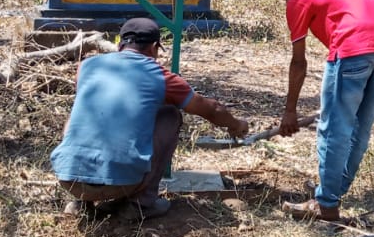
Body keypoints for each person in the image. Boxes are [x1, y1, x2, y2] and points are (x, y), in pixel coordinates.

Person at [51, 17, 249, 219]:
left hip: (69, 180)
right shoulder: (160, 76)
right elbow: (212, 109)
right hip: (122, 183)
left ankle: (83, 203)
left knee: (80, 112)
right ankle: (140, 204)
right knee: (170, 115)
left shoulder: (87, 66)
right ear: (155, 47)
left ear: (120, 44)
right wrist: (237, 125)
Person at [271, 0, 374, 222]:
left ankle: (326, 204)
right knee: (359, 130)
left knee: (333, 129)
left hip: (354, 48)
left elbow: (298, 62)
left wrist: (290, 111)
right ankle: (331, 193)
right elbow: (364, 32)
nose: (286, 3)